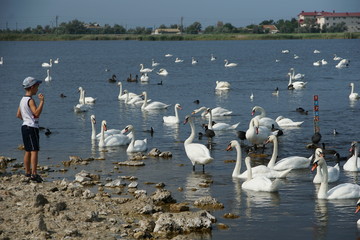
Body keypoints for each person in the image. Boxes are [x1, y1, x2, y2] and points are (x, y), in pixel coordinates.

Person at [16, 77, 45, 183]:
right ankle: (34, 173)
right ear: (32, 87)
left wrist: (26, 119)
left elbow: (18, 114)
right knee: (34, 150)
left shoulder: (22, 99)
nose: (38, 88)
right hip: (31, 127)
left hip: (24, 126)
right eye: (37, 86)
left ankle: (27, 172)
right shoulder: (30, 100)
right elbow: (36, 113)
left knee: (27, 150)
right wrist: (42, 102)